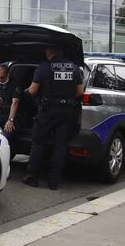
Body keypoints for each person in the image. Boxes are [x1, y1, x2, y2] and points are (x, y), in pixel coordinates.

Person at [22, 44, 84, 190]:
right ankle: (54, 182)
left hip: (48, 110)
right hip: (67, 111)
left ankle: (32, 178)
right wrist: (66, 100)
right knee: (60, 145)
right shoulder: (74, 68)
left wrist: (23, 93)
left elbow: (32, 91)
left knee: (38, 143)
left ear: (49, 53)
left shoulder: (44, 67)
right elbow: (80, 91)